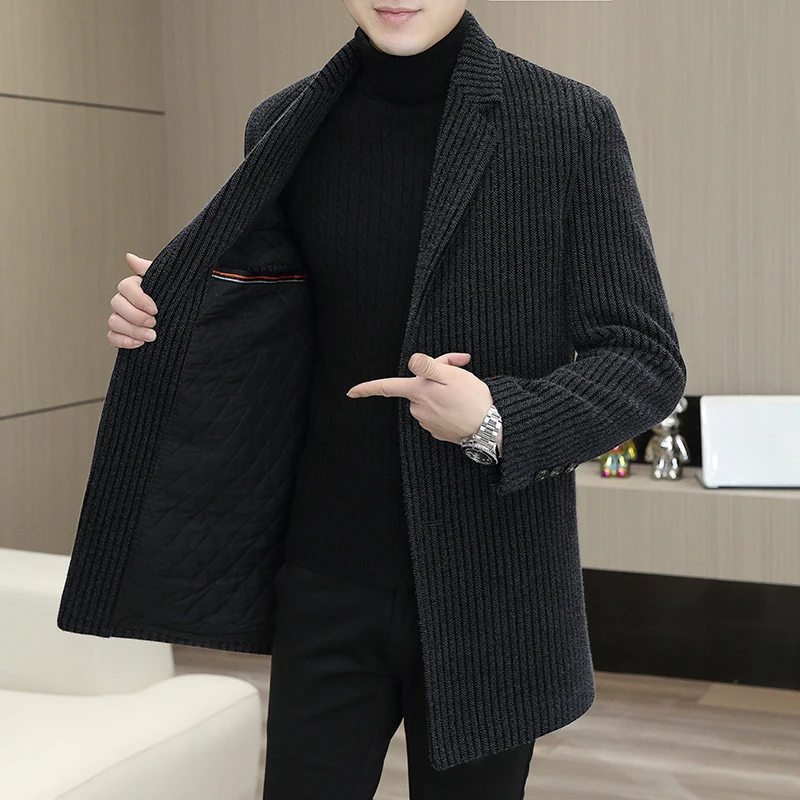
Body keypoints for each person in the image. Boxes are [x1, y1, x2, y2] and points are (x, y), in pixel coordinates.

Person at [73, 2, 686, 798]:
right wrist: (166, 317)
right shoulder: (283, 122)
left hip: (492, 590)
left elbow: (643, 358)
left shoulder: (569, 121)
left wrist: (497, 420)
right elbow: (273, 326)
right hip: (324, 577)